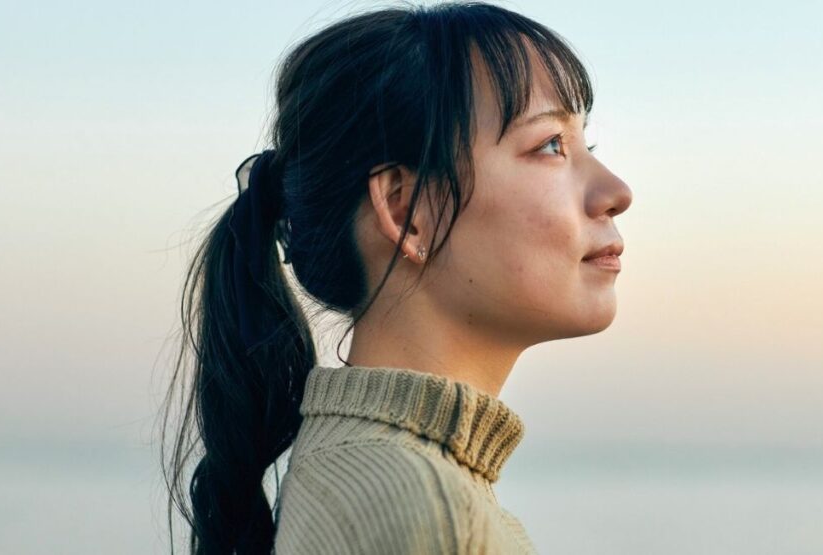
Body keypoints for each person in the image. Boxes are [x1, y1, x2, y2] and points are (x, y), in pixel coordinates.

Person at [159, 1, 632, 553]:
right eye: (550, 145)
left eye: (586, 145)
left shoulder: (356, 469)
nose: (616, 193)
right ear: (405, 210)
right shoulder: (431, 515)